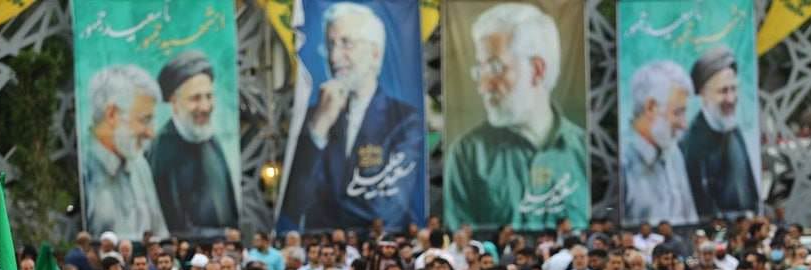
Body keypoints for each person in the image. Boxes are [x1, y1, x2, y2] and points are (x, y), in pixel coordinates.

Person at [279, 3, 423, 231]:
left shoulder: (405, 121)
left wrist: (324, 206)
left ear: (375, 53)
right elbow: (292, 205)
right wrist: (317, 131)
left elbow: (386, 207)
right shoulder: (315, 116)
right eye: (330, 45)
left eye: (346, 44)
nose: (334, 57)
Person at [444, 3, 588, 230]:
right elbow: (461, 237)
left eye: (495, 68)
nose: (483, 86)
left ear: (537, 70)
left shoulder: (584, 150)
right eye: (480, 70)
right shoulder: (469, 155)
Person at [147, 50, 240, 236]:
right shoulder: (162, 151)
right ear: (174, 101)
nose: (205, 107)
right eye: (195, 98)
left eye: (209, 96)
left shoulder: (211, 140)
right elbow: (172, 227)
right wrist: (221, 235)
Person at [81, 64, 168, 238]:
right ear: (112, 115)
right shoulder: (82, 168)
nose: (151, 133)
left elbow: (160, 233)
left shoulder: (139, 165)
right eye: (144, 120)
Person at [680, 46, 760, 219]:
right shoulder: (690, 145)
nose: (731, 99)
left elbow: (751, 192)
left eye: (733, 89)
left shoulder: (734, 131)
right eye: (723, 91)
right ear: (704, 93)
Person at [622, 60, 698, 225]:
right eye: (678, 112)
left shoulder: (674, 154)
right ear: (651, 108)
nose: (684, 124)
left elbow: (690, 218)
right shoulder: (623, 163)